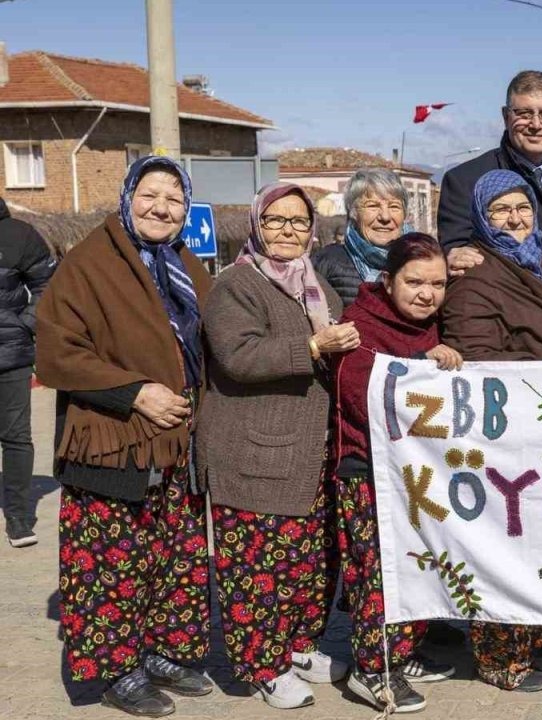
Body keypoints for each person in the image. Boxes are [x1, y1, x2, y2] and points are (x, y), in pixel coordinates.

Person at [36, 156, 214, 717]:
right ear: (126, 197)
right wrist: (136, 392)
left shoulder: (185, 263)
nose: (162, 207)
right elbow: (57, 351)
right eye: (150, 194)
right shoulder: (90, 261)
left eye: (174, 198)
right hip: (111, 438)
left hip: (174, 440)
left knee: (172, 555)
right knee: (111, 562)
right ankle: (117, 669)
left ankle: (163, 650)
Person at [197, 183, 353, 709]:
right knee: (258, 566)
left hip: (308, 452)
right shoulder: (235, 284)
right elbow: (237, 356)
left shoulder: (318, 288)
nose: (288, 231)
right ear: (256, 225)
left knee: (306, 560)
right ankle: (262, 663)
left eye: (299, 222)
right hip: (254, 448)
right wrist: (312, 346)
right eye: (276, 221)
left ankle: (299, 646)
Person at [441, 169, 542, 692]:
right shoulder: (477, 280)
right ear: (482, 219)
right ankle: (500, 657)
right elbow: (479, 363)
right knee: (507, 548)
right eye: (501, 211)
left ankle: (541, 632)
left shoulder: (537, 265)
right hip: (507, 443)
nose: (515, 220)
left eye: (523, 208)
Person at [332, 233, 460, 713]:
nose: (427, 293)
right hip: (367, 471)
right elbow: (358, 395)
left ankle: (402, 654)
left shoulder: (430, 327)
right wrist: (418, 369)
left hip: (419, 473)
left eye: (438, 283)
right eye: (415, 282)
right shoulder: (358, 325)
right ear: (387, 281)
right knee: (378, 573)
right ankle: (374, 670)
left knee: (417, 567)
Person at [437, 70, 542, 316]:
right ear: (505, 116)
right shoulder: (465, 181)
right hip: (508, 335)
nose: (536, 124)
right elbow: (456, 263)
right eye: (524, 113)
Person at [0, 196, 55, 547]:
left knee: (16, 437)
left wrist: (25, 324)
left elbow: (48, 285)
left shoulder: (20, 235)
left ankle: (19, 517)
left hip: (11, 355)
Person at [313, 168, 409, 308]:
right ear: (354, 213)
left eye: (394, 207)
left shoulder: (422, 261)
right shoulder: (326, 262)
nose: (385, 217)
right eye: (373, 206)